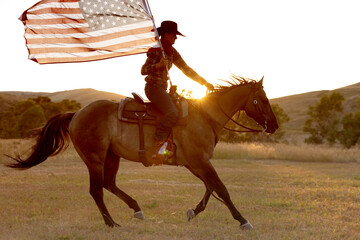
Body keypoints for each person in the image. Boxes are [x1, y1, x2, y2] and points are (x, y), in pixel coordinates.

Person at [141, 20, 214, 159]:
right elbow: (143, 70)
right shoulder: (156, 50)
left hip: (162, 88)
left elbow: (186, 69)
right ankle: (157, 144)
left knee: (182, 109)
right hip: (153, 87)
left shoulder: (172, 52)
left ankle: (171, 145)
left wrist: (204, 82)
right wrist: (158, 66)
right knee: (172, 112)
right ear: (167, 34)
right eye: (174, 35)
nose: (176, 38)